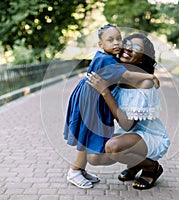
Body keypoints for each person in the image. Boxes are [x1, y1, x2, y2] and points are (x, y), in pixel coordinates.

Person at [64, 25, 158, 189]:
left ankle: (82, 170)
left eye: (118, 39)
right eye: (110, 40)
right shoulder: (105, 59)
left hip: (93, 100)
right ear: (101, 44)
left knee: (89, 136)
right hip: (90, 102)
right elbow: (127, 75)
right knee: (87, 135)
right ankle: (75, 171)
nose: (116, 43)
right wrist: (150, 75)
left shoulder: (108, 57)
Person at [87, 33, 170, 190]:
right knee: (94, 157)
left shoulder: (145, 83)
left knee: (113, 147)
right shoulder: (117, 77)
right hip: (129, 135)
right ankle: (134, 163)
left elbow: (127, 125)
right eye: (126, 44)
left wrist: (105, 91)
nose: (128, 49)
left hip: (148, 135)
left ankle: (151, 167)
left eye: (136, 48)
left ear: (142, 58)